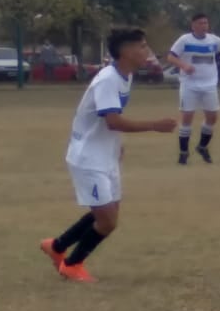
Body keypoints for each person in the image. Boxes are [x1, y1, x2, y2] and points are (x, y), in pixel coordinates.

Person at [39, 28, 176, 283]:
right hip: (88, 158)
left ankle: (57, 247)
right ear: (125, 51)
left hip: (104, 155)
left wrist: (116, 145)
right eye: (142, 46)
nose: (147, 51)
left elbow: (108, 121)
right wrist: (154, 125)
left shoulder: (126, 75)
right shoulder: (108, 80)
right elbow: (112, 121)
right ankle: (71, 264)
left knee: (107, 212)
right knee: (108, 221)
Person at [166, 13, 220, 165]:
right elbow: (171, 57)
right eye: (200, 23)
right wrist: (184, 65)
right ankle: (183, 153)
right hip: (189, 84)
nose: (204, 26)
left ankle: (202, 146)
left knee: (212, 117)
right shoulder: (184, 40)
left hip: (209, 84)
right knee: (187, 117)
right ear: (193, 25)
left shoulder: (213, 40)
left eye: (206, 23)